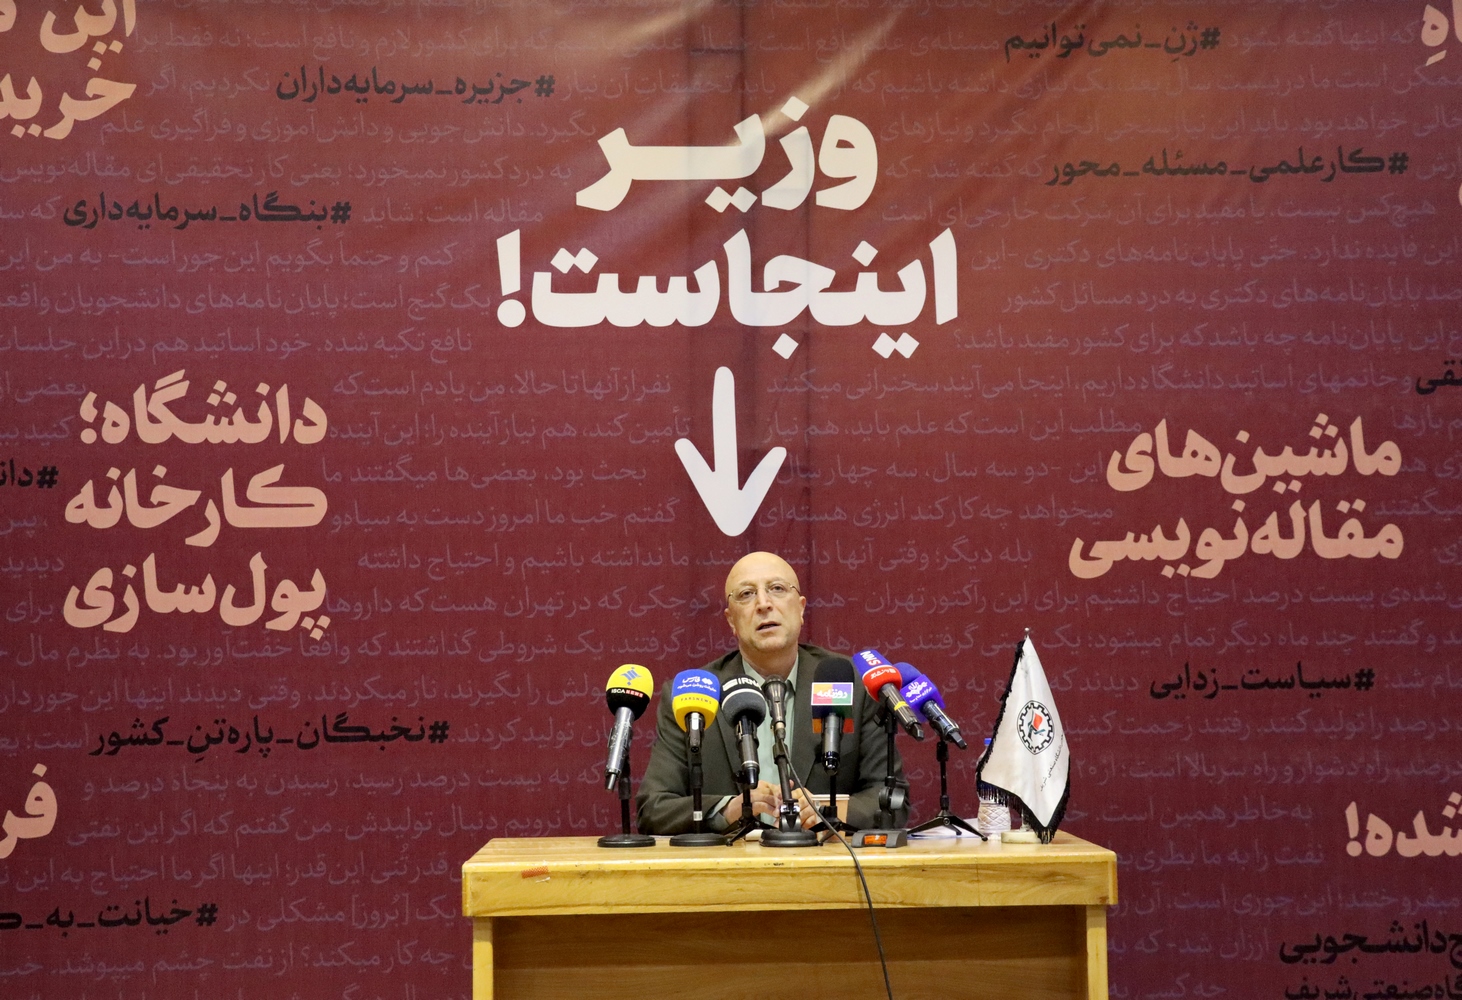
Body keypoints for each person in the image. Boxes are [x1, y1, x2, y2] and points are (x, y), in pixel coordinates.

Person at [636, 551, 908, 835]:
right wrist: (727, 810)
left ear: (801, 609)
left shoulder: (852, 685)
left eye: (777, 589)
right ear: (731, 620)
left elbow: (894, 800)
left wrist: (828, 810)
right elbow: (654, 808)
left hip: (825, 859)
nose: (764, 604)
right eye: (746, 594)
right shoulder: (693, 697)